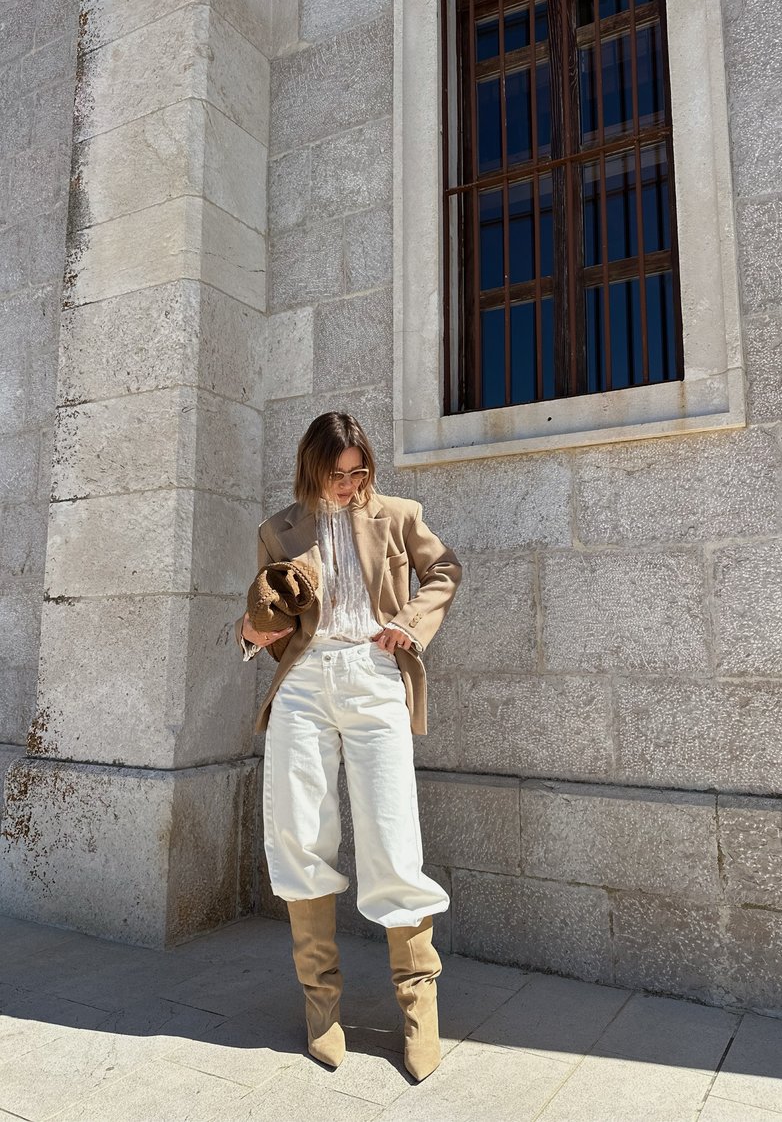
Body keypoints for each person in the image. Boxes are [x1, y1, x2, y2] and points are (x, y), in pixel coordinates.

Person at [235, 411, 461, 1081]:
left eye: (359, 470)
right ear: (311, 467)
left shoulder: (397, 513)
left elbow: (444, 569)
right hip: (304, 684)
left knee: (394, 841)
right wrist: (258, 623)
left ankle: (420, 1007)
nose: (350, 483)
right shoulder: (278, 529)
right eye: (337, 473)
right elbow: (262, 625)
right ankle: (321, 1008)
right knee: (300, 836)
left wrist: (409, 623)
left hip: (372, 678)